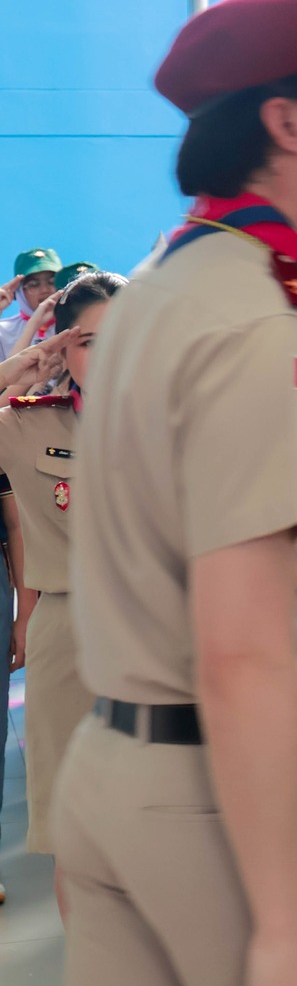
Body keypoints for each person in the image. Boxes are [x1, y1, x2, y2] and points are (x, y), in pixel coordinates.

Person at [60, 0, 297, 986]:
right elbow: (242, 646)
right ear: (287, 122)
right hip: (239, 797)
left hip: (116, 768)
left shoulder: (160, 288)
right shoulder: (263, 322)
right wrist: (285, 923)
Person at [0, 270, 123, 884]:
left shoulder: (183, 423)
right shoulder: (30, 425)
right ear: (64, 350)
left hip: (171, 631)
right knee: (76, 836)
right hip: (69, 634)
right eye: (89, 342)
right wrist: (13, 373)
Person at [0, 248, 62, 357]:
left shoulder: (75, 324)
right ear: (19, 291)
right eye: (34, 284)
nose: (45, 290)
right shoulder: (4, 330)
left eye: (52, 282)